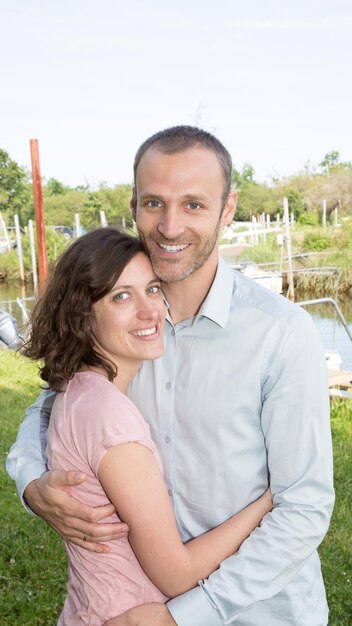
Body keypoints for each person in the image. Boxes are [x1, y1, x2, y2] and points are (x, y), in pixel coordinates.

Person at [7, 126, 334, 626]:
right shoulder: (118, 326)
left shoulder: (281, 335)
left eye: (195, 205)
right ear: (134, 205)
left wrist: (186, 614)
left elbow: (304, 507)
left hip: (258, 612)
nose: (170, 226)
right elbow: (53, 404)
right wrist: (31, 482)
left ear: (228, 210)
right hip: (131, 602)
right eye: (154, 203)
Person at [19, 227, 272, 625]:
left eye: (152, 289)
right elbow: (176, 574)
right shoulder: (108, 414)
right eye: (122, 296)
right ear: (82, 316)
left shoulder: (81, 392)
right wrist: (267, 502)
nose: (150, 310)